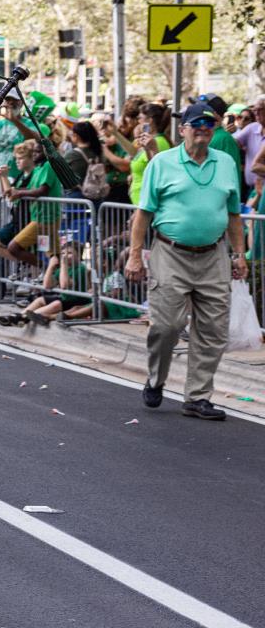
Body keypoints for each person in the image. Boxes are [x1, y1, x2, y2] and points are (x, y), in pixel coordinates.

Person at [125, 101, 248, 420]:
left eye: (209, 125)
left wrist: (239, 254)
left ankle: (197, 396)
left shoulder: (224, 162)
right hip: (171, 252)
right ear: (183, 130)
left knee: (213, 329)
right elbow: (143, 214)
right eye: (197, 125)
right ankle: (156, 379)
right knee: (167, 325)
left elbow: (234, 213)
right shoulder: (163, 163)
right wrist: (135, 256)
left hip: (213, 255)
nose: (203, 130)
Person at [0, 138, 57, 266]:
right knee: (48, 252)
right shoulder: (33, 171)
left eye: (20, 158)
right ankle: (42, 271)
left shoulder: (45, 167)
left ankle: (45, 271)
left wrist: (17, 191)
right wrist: (2, 178)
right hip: (31, 217)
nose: (17, 162)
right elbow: (9, 193)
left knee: (45, 251)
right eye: (16, 158)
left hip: (41, 218)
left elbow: (40, 191)